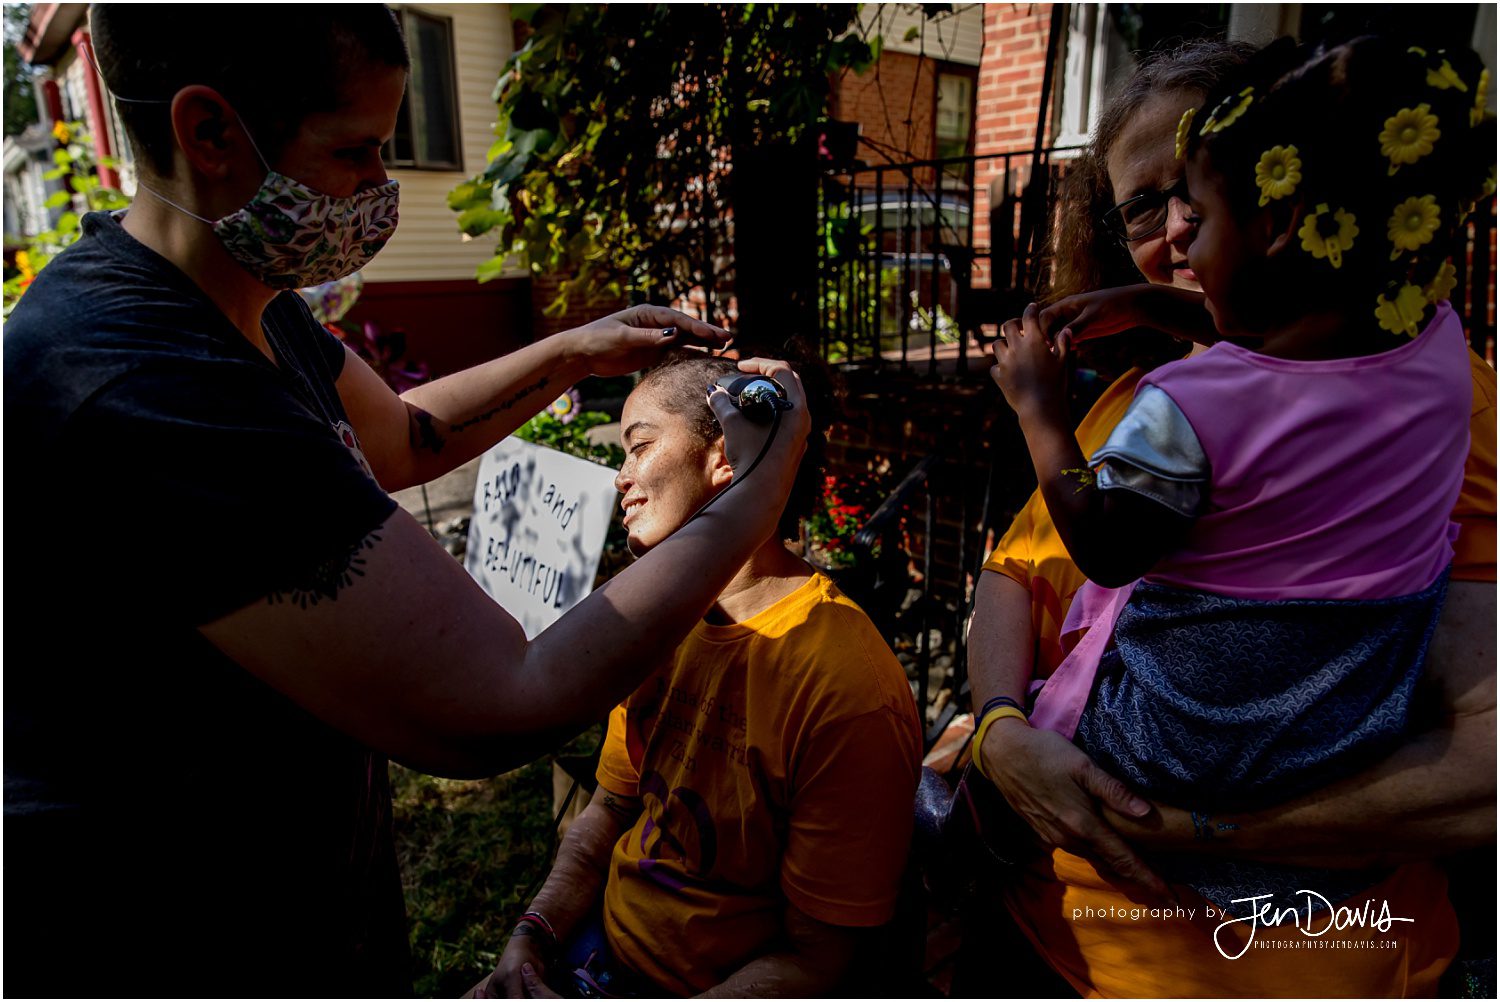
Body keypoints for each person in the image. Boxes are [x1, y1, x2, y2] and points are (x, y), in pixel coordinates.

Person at [2, 7, 811, 996]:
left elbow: (397, 436)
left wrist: (575, 352)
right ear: (210, 133)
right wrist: (762, 485)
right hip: (173, 934)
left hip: (294, 901)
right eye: (357, 150)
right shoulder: (136, 376)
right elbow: (502, 702)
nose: (383, 188)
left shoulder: (235, 301)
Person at [966, 38, 1497, 997]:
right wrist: (1000, 730)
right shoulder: (1370, 372)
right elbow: (1009, 575)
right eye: (1141, 207)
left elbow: (1486, 761)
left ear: (1291, 206)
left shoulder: (1455, 407)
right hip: (1058, 941)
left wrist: (1176, 827)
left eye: (1195, 201)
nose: (1172, 231)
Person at [472, 353, 923, 998]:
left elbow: (817, 962)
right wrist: (531, 938)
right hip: (596, 953)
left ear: (725, 455)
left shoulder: (844, 686)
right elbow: (610, 809)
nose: (619, 479)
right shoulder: (650, 622)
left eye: (641, 447)